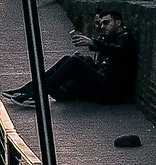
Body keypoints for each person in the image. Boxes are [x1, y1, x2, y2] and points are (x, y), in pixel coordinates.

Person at [9, 11, 138, 106]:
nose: (102, 27)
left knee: (75, 63)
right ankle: (29, 89)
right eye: (100, 24)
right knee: (70, 59)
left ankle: (38, 96)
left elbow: (118, 52)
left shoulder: (126, 38)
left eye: (106, 23)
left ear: (118, 22)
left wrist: (93, 44)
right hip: (103, 82)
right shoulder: (109, 38)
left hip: (113, 91)